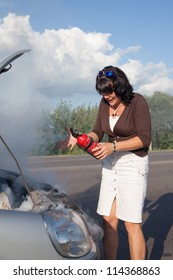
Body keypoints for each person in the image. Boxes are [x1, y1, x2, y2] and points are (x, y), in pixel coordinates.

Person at [65, 66, 151, 260]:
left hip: (133, 163)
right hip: (111, 164)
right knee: (108, 221)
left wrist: (112, 146)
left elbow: (144, 139)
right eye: (103, 92)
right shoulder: (104, 104)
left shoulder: (137, 102)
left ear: (120, 86)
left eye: (110, 91)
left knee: (131, 223)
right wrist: (82, 138)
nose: (107, 96)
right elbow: (98, 131)